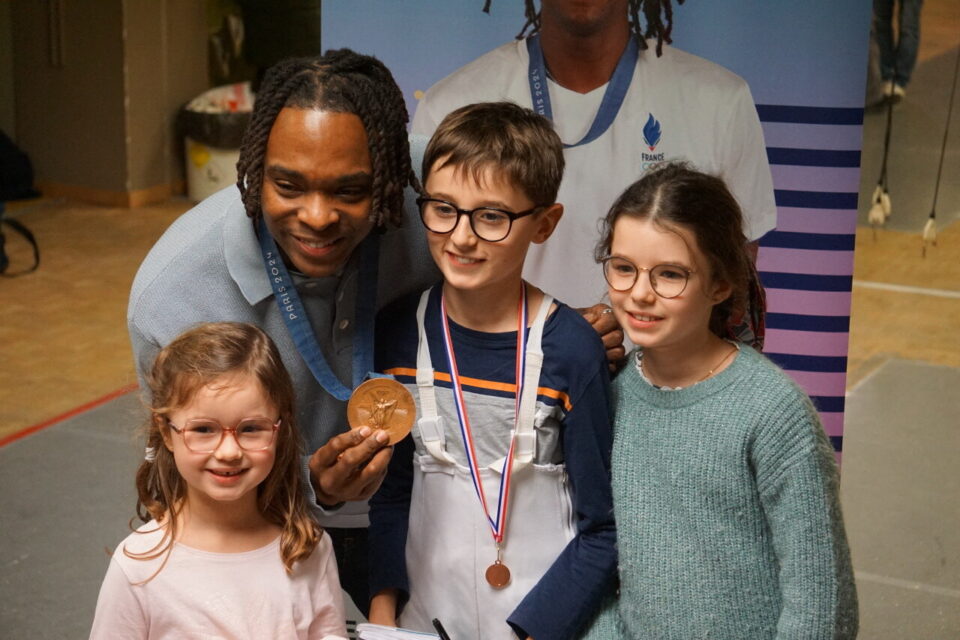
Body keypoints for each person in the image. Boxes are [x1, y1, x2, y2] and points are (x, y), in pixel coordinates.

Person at [128, 49, 621, 614]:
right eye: (288, 185)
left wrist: (563, 333)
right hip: (265, 517)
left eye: (348, 191)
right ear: (253, 169)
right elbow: (186, 483)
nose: (317, 216)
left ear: (391, 181)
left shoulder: (435, 194)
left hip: (418, 512)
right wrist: (314, 492)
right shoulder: (173, 298)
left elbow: (505, 220)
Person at [367, 102, 617, 640]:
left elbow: (604, 531)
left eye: (491, 216)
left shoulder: (571, 350)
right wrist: (382, 612)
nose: (460, 236)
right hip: (420, 623)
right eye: (443, 208)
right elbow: (391, 496)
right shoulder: (396, 335)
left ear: (545, 223)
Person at [582, 163, 858, 638]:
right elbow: (596, 556)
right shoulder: (608, 394)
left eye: (670, 274)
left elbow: (822, 599)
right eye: (624, 268)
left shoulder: (773, 411)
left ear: (721, 284)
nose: (639, 294)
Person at [411, 0, 776, 315]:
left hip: (664, 379)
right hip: (504, 378)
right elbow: (427, 277)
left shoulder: (720, 101)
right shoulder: (450, 105)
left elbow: (734, 287)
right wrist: (559, 334)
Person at [90, 323, 347, 639]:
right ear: (166, 432)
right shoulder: (139, 566)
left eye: (251, 428)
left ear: (280, 428)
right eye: (203, 430)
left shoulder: (308, 549)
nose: (228, 452)